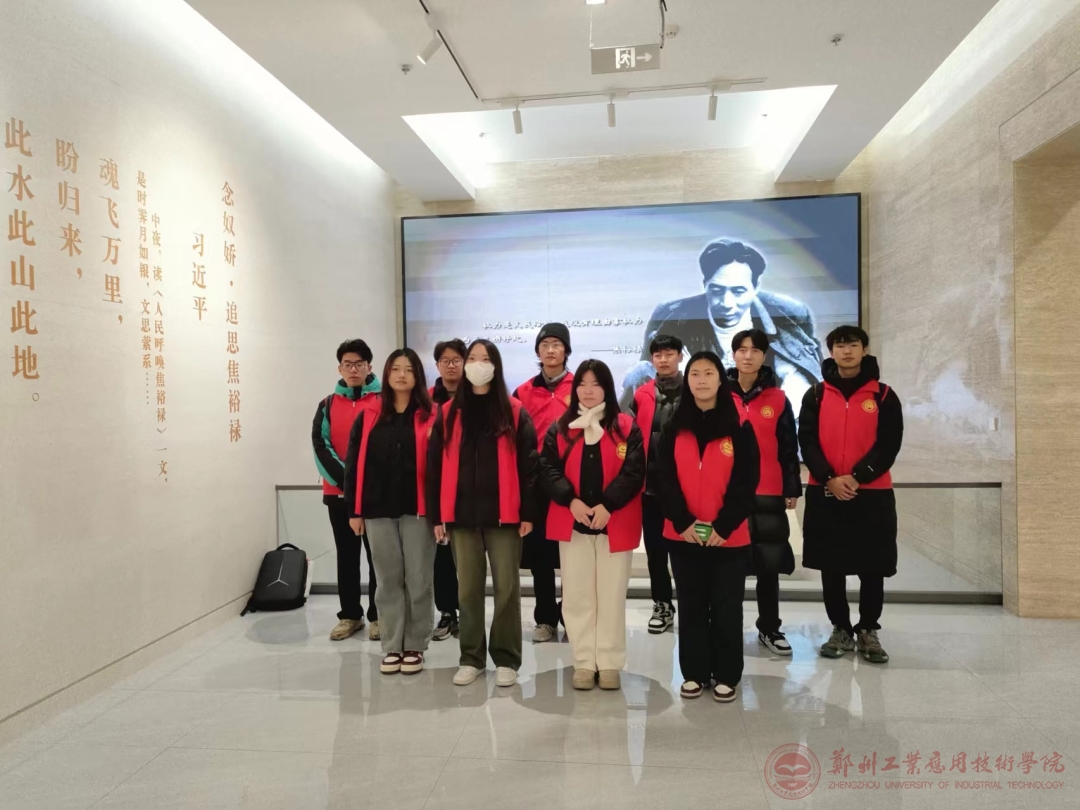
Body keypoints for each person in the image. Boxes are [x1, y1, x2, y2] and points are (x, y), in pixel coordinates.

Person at [426, 339, 539, 687]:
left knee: (507, 589)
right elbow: (433, 467)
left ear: (496, 365)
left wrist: (528, 512)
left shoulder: (514, 411)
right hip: (461, 517)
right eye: (472, 358)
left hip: (504, 516)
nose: (477, 364)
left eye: (485, 358)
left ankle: (506, 658)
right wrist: (437, 516)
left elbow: (530, 466)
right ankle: (471, 657)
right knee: (468, 590)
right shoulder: (448, 413)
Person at [539, 360, 646, 691]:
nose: (588, 390)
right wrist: (570, 500)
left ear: (607, 389)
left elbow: (634, 472)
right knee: (577, 596)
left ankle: (609, 662)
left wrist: (608, 505)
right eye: (582, 384)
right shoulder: (561, 427)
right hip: (573, 524)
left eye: (595, 384)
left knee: (611, 596)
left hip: (614, 523)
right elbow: (547, 469)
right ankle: (584, 661)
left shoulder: (626, 427)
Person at [798, 325, 903, 665]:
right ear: (831, 352)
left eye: (853, 345)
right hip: (825, 491)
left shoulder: (883, 396)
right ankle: (840, 628)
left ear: (864, 349)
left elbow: (889, 444)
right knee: (832, 565)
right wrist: (829, 478)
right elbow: (807, 442)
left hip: (872, 494)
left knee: (873, 566)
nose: (846, 351)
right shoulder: (815, 394)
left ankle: (868, 629)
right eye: (840, 346)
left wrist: (857, 477)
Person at [659, 351, 759, 703]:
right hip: (683, 535)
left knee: (727, 607)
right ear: (687, 381)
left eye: (709, 373)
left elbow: (747, 480)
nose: (701, 380)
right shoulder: (674, 426)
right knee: (692, 606)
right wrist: (683, 521)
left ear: (720, 379)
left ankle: (727, 673)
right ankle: (694, 672)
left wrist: (724, 525)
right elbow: (664, 478)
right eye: (695, 374)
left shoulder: (740, 426)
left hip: (728, 537)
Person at [621, 239, 823, 411]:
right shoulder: (670, 316)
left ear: (755, 287)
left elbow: (809, 374)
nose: (727, 303)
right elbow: (649, 375)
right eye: (717, 290)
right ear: (705, 284)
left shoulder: (789, 314)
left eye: (738, 291)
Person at [344, 349, 437, 675]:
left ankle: (415, 644)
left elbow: (442, 466)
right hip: (377, 508)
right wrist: (354, 510)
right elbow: (353, 465)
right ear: (386, 374)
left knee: (419, 579)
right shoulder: (369, 414)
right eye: (395, 369)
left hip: (418, 509)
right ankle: (392, 644)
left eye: (408, 369)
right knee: (387, 580)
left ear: (417, 376)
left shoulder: (431, 415)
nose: (401, 375)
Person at [728, 328, 801, 657]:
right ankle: (727, 627)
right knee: (729, 565)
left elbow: (788, 447)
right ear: (733, 355)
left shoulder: (778, 398)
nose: (748, 356)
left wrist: (791, 486)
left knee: (769, 565)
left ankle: (769, 627)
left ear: (763, 355)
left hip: (769, 491)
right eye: (742, 350)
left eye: (755, 350)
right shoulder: (719, 395)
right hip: (728, 494)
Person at [311, 339, 381, 642]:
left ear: (369, 366)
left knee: (379, 558)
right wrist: (348, 483)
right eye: (347, 364)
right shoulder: (327, 405)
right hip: (338, 494)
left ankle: (379, 616)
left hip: (376, 495)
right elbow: (320, 445)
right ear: (340, 368)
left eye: (359, 364)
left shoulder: (384, 401)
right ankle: (350, 615)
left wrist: (367, 484)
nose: (353, 369)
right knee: (347, 556)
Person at [513, 323, 573, 644]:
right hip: (536, 483)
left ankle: (571, 615)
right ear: (538, 350)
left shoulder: (581, 386)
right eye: (545, 344)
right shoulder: (522, 392)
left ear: (566, 350)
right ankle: (546, 618)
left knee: (573, 555)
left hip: (571, 482)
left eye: (557, 344)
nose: (551, 350)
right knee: (540, 557)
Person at [629, 334, 683, 635]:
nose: (663, 359)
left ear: (680, 356)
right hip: (650, 490)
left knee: (685, 553)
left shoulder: (695, 391)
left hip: (686, 490)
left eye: (669, 353)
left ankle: (691, 604)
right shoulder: (641, 394)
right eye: (658, 355)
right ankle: (662, 605)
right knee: (656, 554)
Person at [429, 339, 467, 642]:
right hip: (439, 486)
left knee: (468, 559)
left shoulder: (477, 396)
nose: (451, 365)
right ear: (437, 365)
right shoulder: (426, 400)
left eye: (456, 360)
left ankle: (468, 613)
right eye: (445, 360)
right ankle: (446, 613)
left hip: (470, 489)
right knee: (441, 557)